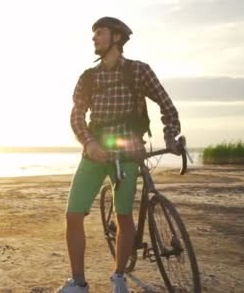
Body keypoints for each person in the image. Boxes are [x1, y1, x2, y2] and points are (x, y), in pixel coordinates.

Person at [57, 17, 182, 293]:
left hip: (127, 156)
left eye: (99, 32)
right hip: (94, 155)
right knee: (73, 215)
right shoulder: (88, 78)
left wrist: (171, 136)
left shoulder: (138, 71)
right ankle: (78, 283)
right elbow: (77, 115)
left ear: (116, 37)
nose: (94, 38)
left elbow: (167, 105)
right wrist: (89, 143)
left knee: (124, 217)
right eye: (94, 34)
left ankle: (119, 276)